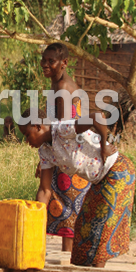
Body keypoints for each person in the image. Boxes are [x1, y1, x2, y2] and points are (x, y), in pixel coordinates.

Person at [19, 108, 135, 268]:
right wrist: (36, 218)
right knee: (83, 229)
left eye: (27, 135)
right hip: (99, 180)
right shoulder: (45, 151)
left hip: (117, 171)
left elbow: (97, 117)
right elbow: (45, 190)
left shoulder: (63, 130)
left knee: (100, 229)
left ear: (38, 126)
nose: (27, 141)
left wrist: (104, 146)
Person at [39, 42, 92, 251]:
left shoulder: (62, 88)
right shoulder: (57, 85)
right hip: (65, 151)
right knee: (67, 206)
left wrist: (47, 158)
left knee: (69, 206)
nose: (45, 64)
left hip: (68, 154)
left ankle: (67, 258)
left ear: (64, 63)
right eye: (43, 60)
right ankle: (66, 255)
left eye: (50, 61)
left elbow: (61, 129)